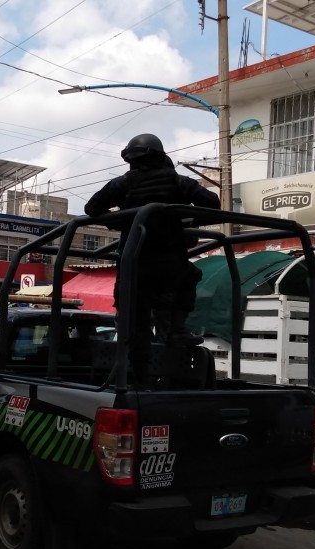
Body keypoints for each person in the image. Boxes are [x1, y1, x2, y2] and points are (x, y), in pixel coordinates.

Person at [84, 133, 220, 385]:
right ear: (160, 156)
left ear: (132, 158)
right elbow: (213, 203)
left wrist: (125, 218)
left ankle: (140, 380)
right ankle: (176, 331)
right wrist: (184, 220)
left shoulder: (122, 184)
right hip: (170, 266)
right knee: (188, 279)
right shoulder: (179, 181)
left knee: (135, 328)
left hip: (134, 265)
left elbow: (92, 209)